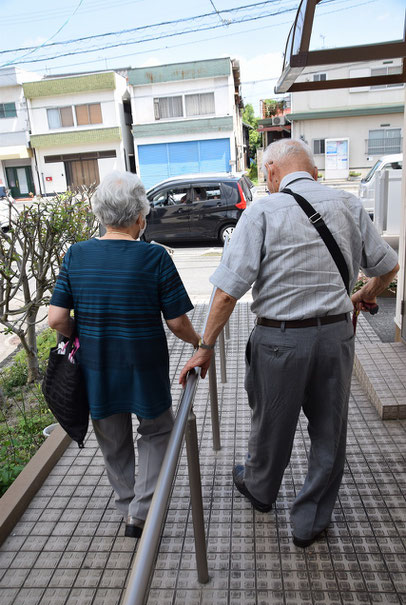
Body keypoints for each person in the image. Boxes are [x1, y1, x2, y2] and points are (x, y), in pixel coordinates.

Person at [180, 139, 399, 548]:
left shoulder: (263, 209)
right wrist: (363, 294)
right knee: (329, 431)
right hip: (336, 336)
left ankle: (261, 490)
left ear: (271, 172)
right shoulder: (348, 204)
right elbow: (388, 267)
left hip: (278, 339)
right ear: (313, 172)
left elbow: (228, 292)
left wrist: (205, 346)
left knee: (271, 422)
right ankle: (309, 522)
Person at [49, 171, 200, 538]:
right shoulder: (155, 257)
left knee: (112, 438)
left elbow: (56, 319)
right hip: (144, 365)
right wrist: (200, 344)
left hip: (97, 367)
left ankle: (127, 503)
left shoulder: (76, 255)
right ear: (139, 218)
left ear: (100, 215)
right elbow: (177, 322)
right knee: (157, 430)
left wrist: (79, 334)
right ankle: (142, 512)